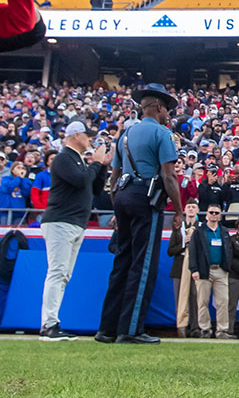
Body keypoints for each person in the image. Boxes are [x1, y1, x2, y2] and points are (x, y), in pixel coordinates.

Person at [97, 83, 184, 345]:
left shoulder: (125, 135)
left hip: (122, 196)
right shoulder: (163, 134)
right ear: (158, 107)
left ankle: (107, 328)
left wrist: (116, 207)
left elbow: (113, 177)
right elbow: (168, 176)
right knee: (143, 264)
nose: (168, 113)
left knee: (122, 261)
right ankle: (131, 329)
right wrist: (178, 209)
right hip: (146, 198)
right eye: (167, 108)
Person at [39, 121, 111, 341]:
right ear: (76, 135)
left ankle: (53, 322)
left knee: (64, 274)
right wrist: (95, 164)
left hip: (75, 222)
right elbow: (81, 181)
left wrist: (102, 166)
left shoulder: (78, 160)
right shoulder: (63, 158)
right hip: (61, 221)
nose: (89, 139)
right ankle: (48, 324)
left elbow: (95, 189)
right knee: (57, 272)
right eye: (86, 135)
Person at [190, 203, 234, 339]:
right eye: (211, 212)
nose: (214, 215)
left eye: (216, 213)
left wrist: (227, 266)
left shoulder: (224, 231)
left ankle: (222, 330)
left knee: (223, 301)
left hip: (220, 269)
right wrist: (194, 269)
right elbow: (193, 251)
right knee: (202, 301)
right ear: (206, 214)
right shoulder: (199, 231)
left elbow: (229, 250)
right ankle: (205, 329)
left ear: (220, 215)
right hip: (204, 270)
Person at [167, 200, 201, 338]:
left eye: (194, 207)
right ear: (185, 210)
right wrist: (183, 243)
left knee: (195, 296)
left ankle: (195, 327)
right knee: (180, 297)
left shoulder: (201, 228)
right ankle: (181, 326)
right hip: (179, 266)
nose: (191, 209)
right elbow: (170, 251)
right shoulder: (178, 228)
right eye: (189, 207)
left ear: (198, 210)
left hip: (195, 266)